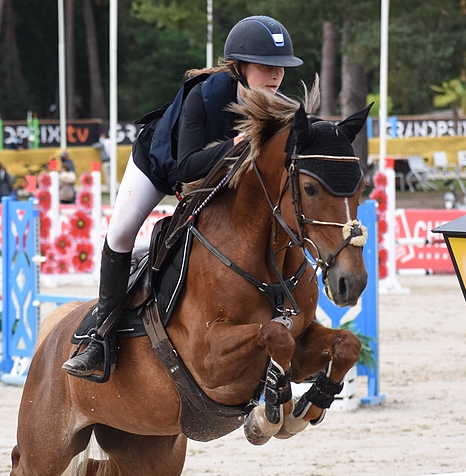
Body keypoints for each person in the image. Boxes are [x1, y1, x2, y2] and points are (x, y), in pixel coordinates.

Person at [63, 15, 302, 379]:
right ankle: (101, 339)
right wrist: (234, 145)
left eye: (281, 69)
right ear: (238, 67)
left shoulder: (280, 107)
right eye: (266, 66)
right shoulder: (202, 95)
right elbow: (188, 167)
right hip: (161, 164)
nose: (275, 76)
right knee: (121, 233)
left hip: (218, 181)